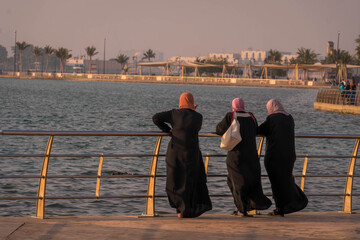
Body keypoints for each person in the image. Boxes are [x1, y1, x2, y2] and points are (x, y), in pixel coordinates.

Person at [152, 92, 212, 218]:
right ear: (192, 102)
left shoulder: (174, 114)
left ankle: (180, 209)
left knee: (175, 179)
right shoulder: (198, 117)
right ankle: (188, 209)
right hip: (192, 152)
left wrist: (167, 130)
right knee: (190, 180)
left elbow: (156, 118)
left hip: (176, 151)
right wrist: (193, 110)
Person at [216, 98, 272, 217]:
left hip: (236, 155)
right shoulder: (251, 116)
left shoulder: (230, 116)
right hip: (251, 155)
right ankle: (246, 206)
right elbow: (256, 130)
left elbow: (219, 129)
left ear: (233, 106)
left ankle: (242, 209)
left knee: (235, 182)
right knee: (247, 181)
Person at [258, 99, 308, 216]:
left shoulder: (272, 119)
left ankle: (280, 208)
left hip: (274, 156)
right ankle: (289, 204)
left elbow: (261, 130)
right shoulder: (289, 117)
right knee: (286, 180)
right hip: (289, 156)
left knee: (276, 183)